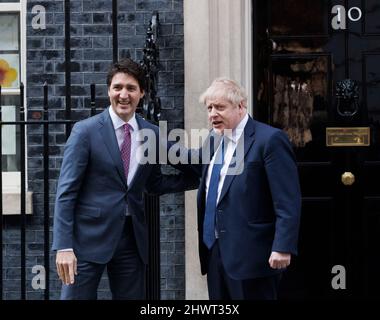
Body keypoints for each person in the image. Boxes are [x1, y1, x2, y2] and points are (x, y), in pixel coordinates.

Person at [52, 58, 198, 300]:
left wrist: (207, 178)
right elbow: (66, 193)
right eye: (118, 87)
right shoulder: (86, 131)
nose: (123, 94)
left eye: (131, 88)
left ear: (141, 93)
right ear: (108, 90)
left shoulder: (151, 133)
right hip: (87, 240)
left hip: (131, 240)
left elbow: (156, 183)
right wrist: (64, 246)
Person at [192, 77, 301, 300]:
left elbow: (287, 199)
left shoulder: (269, 140)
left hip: (253, 257)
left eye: (220, 107)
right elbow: (193, 165)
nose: (212, 113)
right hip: (214, 252)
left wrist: (283, 246)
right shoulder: (214, 140)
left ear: (241, 106)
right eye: (209, 108)